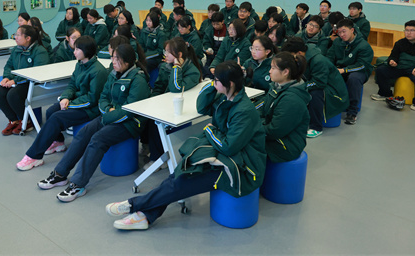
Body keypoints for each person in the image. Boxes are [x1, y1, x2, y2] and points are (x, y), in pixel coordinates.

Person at [105, 61, 266, 231]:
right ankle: (145, 215)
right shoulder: (226, 98)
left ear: (230, 84)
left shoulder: (243, 111)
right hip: (227, 156)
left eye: (217, 80)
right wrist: (212, 87)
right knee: (179, 174)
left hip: (242, 167)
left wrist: (209, 130)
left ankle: (134, 205)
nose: (214, 82)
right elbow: (202, 107)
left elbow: (228, 146)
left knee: (181, 182)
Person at [37, 43, 150, 202]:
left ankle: (78, 184)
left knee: (98, 139)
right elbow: (103, 98)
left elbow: (129, 112)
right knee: (84, 133)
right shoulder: (113, 73)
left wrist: (108, 115)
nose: (113, 62)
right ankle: (60, 174)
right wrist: (108, 111)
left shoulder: (138, 80)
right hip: (109, 116)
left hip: (130, 124)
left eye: (117, 59)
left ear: (127, 61)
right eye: (112, 58)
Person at [15, 36, 109, 170]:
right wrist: (65, 97)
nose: (74, 52)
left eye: (77, 49)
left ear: (86, 50)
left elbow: (92, 99)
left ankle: (33, 156)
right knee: (50, 111)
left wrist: (70, 104)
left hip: (90, 109)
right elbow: (72, 85)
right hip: (78, 102)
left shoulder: (98, 71)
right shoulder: (80, 64)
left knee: (56, 117)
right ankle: (58, 142)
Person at [145, 37, 202, 168]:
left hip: (180, 108)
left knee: (155, 124)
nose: (165, 54)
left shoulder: (192, 71)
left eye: (168, 52)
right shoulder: (165, 66)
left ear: (179, 55)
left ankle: (157, 159)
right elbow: (159, 86)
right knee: (147, 117)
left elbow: (176, 88)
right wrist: (151, 102)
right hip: (166, 103)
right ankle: (151, 148)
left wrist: (177, 67)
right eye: (165, 51)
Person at [282, 38, 349, 138]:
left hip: (334, 93)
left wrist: (301, 86)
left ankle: (316, 127)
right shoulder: (303, 56)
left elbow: (319, 83)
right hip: (321, 85)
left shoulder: (318, 61)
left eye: (291, 56)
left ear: (299, 53)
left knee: (315, 93)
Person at [0, 25, 50, 135]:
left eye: (18, 35)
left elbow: (37, 72)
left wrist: (15, 80)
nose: (15, 37)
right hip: (19, 82)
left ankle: (26, 121)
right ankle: (14, 120)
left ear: (28, 38)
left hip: (33, 83)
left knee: (13, 94)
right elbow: (9, 66)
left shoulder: (40, 51)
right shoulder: (16, 49)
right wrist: (6, 77)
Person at [371, 20, 415, 114]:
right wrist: (392, 61)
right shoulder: (400, 43)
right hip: (400, 67)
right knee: (381, 70)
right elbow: (393, 56)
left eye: (412, 30)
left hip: (414, 69)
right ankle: (385, 94)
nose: (408, 33)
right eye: (406, 30)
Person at [261, 52, 310, 162]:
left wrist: (252, 128)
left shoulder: (292, 100)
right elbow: (263, 109)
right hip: (275, 135)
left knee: (246, 144)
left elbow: (274, 131)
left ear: (285, 72)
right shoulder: (277, 86)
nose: (269, 71)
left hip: (286, 145)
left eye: (273, 68)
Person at [326, 18, 374, 125]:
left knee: (354, 79)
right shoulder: (337, 42)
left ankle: (352, 112)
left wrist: (344, 70)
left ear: (352, 30)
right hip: (341, 69)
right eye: (339, 32)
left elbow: (362, 65)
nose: (341, 35)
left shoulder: (363, 45)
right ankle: (332, 106)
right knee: (328, 75)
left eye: (344, 31)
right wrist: (330, 68)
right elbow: (330, 56)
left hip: (359, 71)